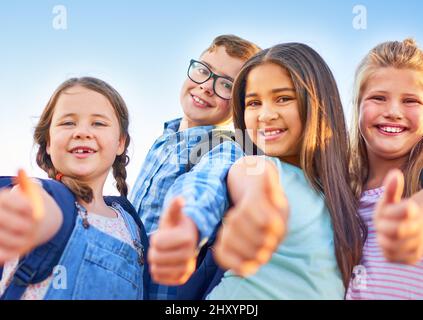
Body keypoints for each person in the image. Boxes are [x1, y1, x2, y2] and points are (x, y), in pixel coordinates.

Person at [209, 43, 366, 299]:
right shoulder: (259, 167)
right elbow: (251, 182)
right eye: (254, 103)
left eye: (283, 98)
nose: (266, 115)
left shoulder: (342, 193)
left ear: (318, 103)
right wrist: (253, 209)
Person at [129, 35, 261, 299]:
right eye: (202, 70)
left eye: (225, 84)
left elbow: (205, 184)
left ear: (238, 103)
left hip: (162, 287)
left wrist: (187, 223)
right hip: (122, 280)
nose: (206, 87)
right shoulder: (164, 138)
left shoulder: (228, 147)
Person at [0, 77, 147, 300]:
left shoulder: (131, 224)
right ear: (48, 143)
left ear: (120, 143)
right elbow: (43, 211)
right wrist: (23, 213)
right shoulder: (44, 195)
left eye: (98, 123)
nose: (82, 132)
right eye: (68, 123)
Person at [347, 39, 423, 300]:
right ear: (357, 105)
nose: (393, 112)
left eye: (411, 101)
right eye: (378, 98)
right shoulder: (336, 190)